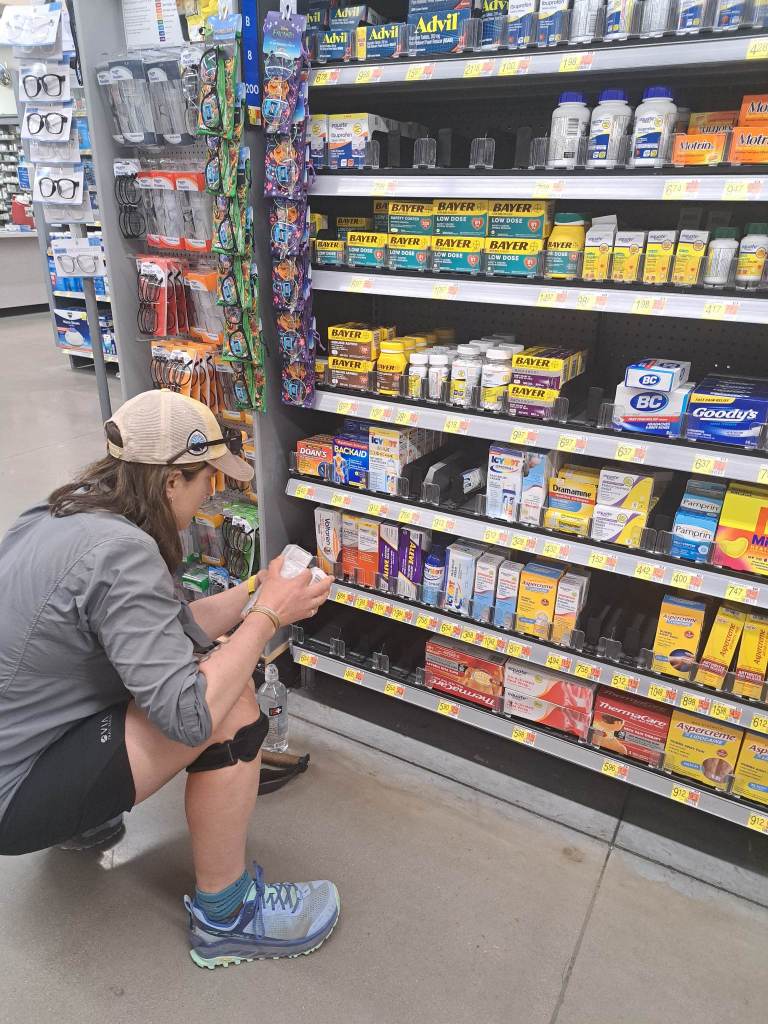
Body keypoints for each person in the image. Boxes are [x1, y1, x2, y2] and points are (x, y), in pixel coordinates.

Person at [0, 389, 337, 969]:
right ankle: (227, 916)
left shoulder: (62, 514)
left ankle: (81, 820)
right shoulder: (124, 554)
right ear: (171, 481)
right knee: (230, 705)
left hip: (21, 745)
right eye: (207, 477)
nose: (211, 492)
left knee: (202, 671)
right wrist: (267, 617)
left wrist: (256, 590)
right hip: (16, 791)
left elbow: (167, 627)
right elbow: (188, 715)